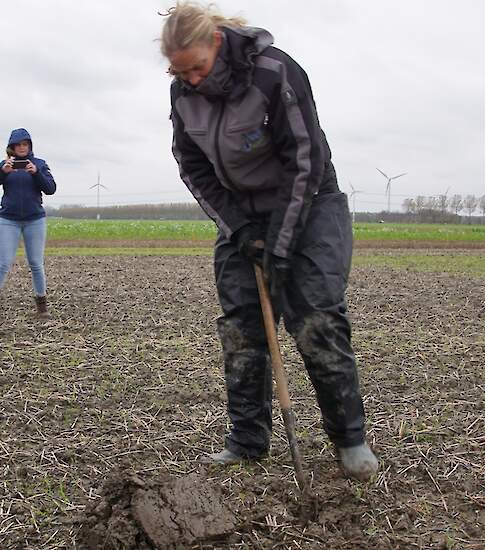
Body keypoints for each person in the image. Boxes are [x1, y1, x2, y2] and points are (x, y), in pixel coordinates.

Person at [161, 2, 378, 480]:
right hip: (242, 212)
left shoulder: (275, 73)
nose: (190, 79)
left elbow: (305, 159)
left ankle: (349, 439)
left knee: (316, 315)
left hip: (309, 201)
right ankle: (247, 441)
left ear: (216, 42)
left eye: (196, 67)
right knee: (241, 326)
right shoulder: (182, 94)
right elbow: (192, 167)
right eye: (179, 71)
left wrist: (280, 242)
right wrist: (238, 228)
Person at [0, 128, 57, 322]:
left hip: (35, 220)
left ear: (30, 146)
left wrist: (37, 173)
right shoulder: (5, 165)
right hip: (9, 220)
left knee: (36, 263)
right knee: (3, 263)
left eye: (25, 144)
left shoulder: (39, 164)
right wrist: (2, 172)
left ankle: (42, 306)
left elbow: (50, 189)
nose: (22, 148)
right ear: (12, 147)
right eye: (18, 145)